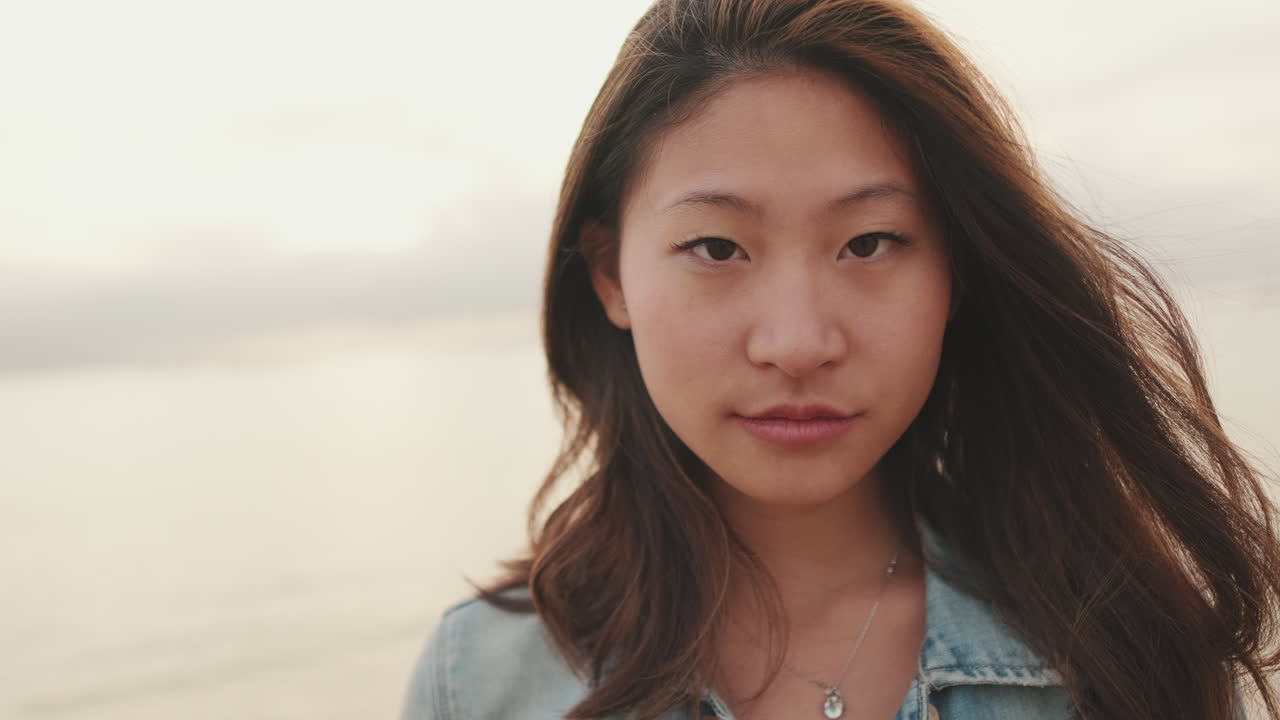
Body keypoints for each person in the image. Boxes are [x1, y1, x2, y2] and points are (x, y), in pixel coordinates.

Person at [400, 0, 1280, 718]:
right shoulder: (479, 681)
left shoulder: (1122, 652)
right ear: (610, 275)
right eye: (716, 247)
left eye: (869, 243)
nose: (797, 343)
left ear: (957, 272)